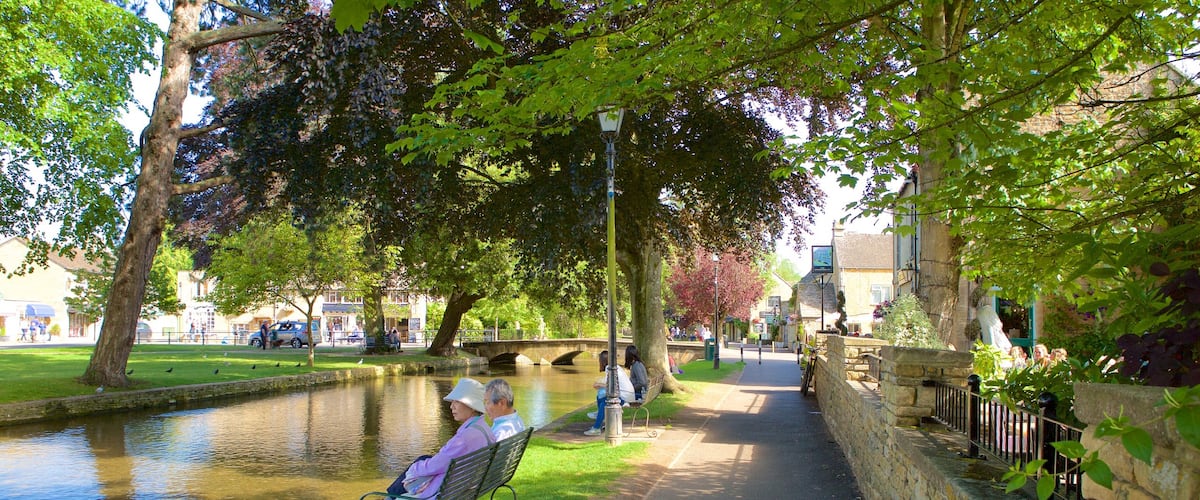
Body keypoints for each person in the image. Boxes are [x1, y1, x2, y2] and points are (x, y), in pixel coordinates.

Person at [386, 378, 495, 497]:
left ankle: (389, 497)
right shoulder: (485, 430)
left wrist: (414, 468)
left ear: (472, 406)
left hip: (445, 492)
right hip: (464, 487)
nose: (452, 407)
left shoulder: (465, 438)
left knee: (416, 467)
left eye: (457, 402)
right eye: (452, 402)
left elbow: (436, 465)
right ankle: (390, 496)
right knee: (424, 458)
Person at [584, 350, 635, 436]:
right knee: (601, 394)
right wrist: (600, 385)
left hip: (625, 396)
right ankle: (600, 416)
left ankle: (596, 427)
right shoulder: (616, 366)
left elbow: (611, 386)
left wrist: (599, 384)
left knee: (604, 401)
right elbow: (611, 384)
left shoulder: (609, 368)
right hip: (628, 394)